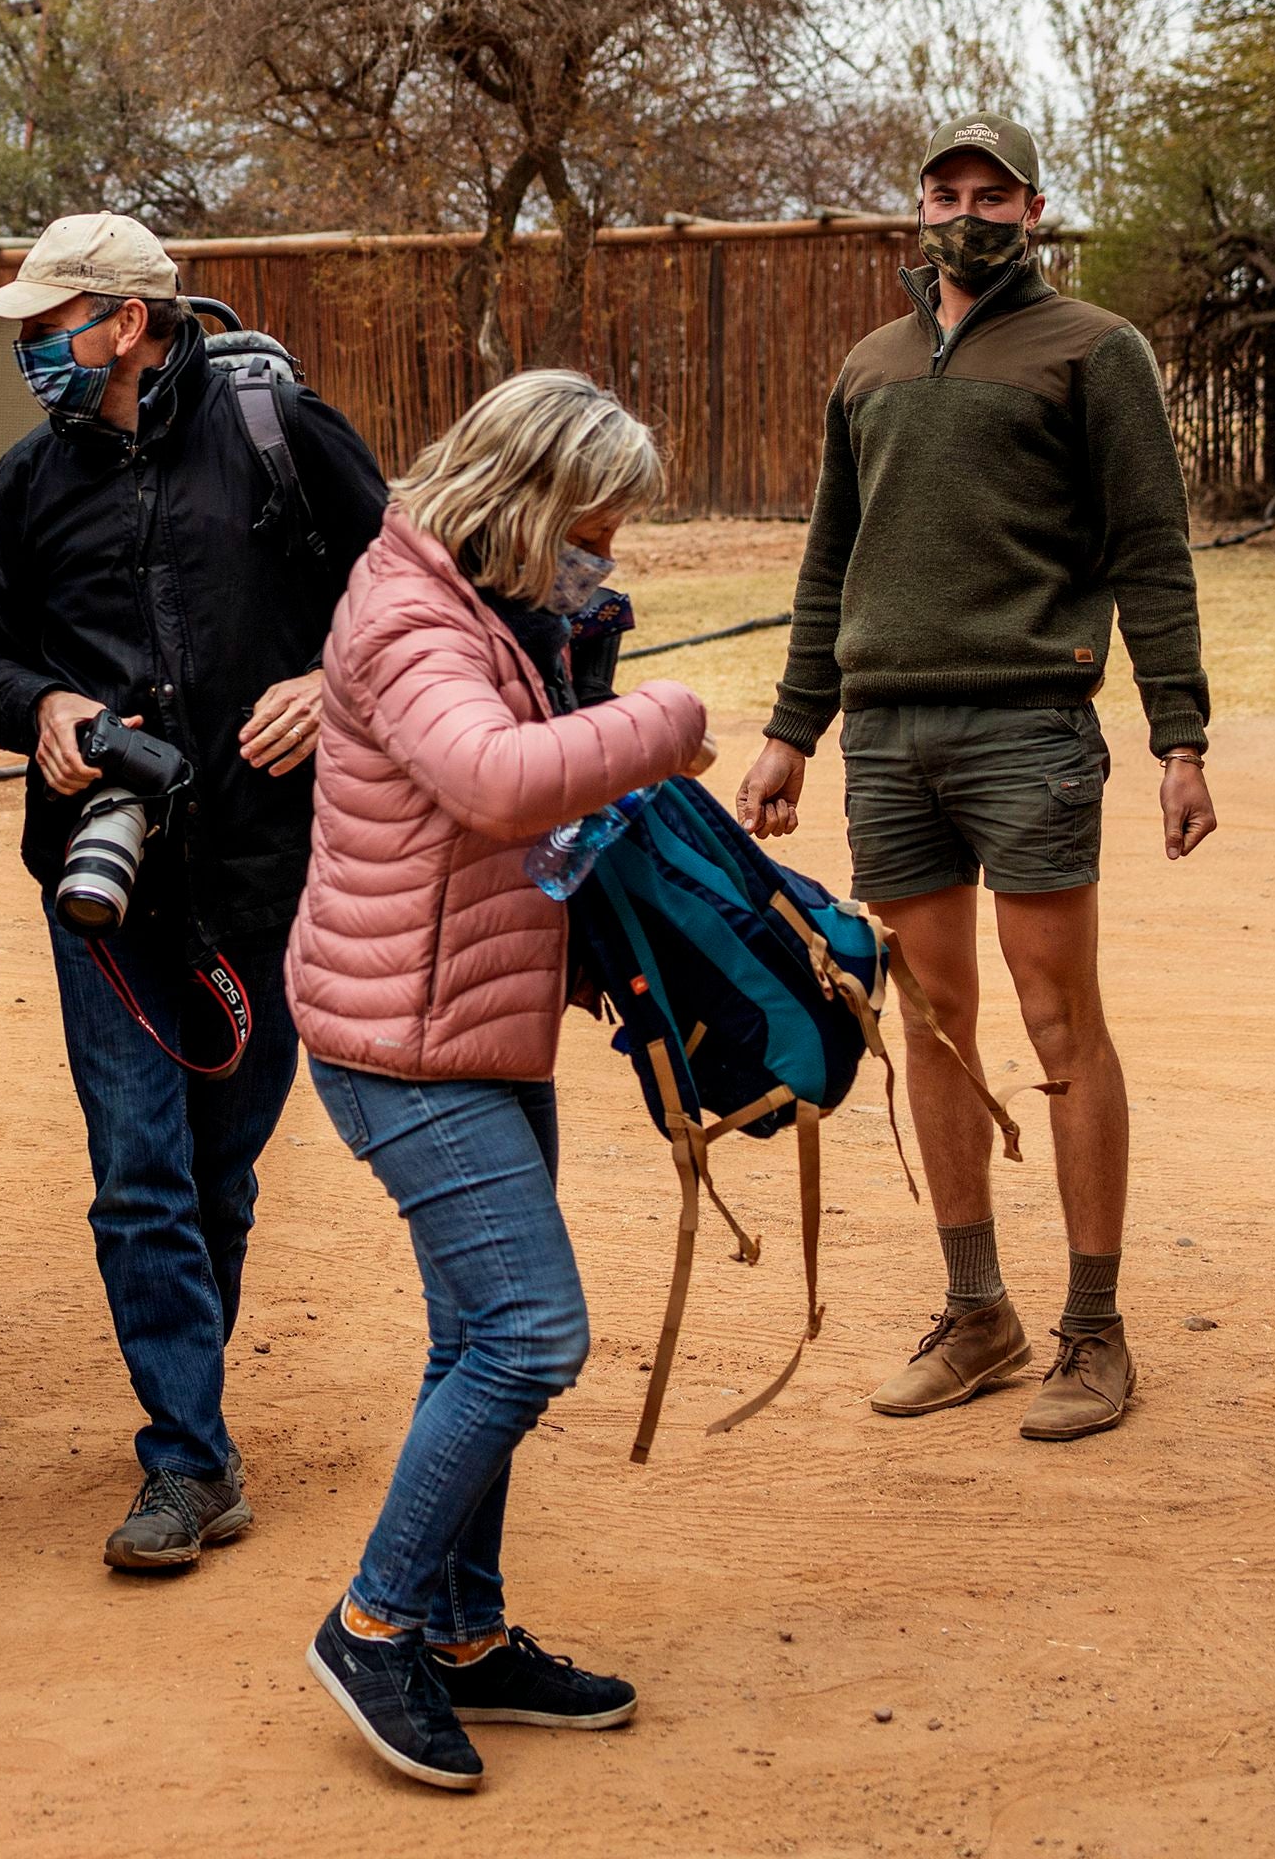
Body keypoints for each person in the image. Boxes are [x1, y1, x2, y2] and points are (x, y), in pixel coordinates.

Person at [735, 112, 1212, 1444]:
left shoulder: (1093, 351)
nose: (965, 214)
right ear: (920, 210)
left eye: (990, 195)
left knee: (1061, 1025)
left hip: (1029, 725)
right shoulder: (871, 364)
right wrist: (792, 729)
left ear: (1033, 209)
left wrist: (1180, 737)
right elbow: (832, 558)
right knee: (933, 1025)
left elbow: (1150, 551)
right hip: (888, 737)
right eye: (944, 192)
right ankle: (979, 1312)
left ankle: (1096, 1332)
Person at [283, 371, 712, 1792]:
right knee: (531, 1336)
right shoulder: (410, 614)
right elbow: (498, 781)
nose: (612, 548)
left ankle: (465, 1637)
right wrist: (663, 717)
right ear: (530, 497)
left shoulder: (474, 603)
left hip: (471, 1023)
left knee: (474, 1337)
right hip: (401, 1044)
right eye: (599, 520)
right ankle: (375, 1625)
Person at [0, 212, 387, 1573]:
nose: (31, 351)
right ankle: (187, 1458)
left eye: (48, 325)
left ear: (126, 322)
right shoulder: (25, 485)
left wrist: (333, 685)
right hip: (105, 884)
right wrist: (47, 705)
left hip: (271, 871)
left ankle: (191, 1418)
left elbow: (416, 597)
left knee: (219, 1166)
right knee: (138, 1173)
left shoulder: (282, 433)